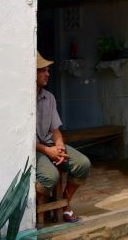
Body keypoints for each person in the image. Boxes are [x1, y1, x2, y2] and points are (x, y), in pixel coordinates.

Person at [36, 51, 91, 223]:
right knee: (51, 177)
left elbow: (55, 129)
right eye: (42, 70)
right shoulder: (23, 100)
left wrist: (58, 146)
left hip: (50, 143)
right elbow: (25, 140)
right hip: (34, 149)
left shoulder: (49, 97)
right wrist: (48, 151)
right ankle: (32, 207)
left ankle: (65, 204)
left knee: (82, 164)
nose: (48, 73)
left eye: (47, 70)